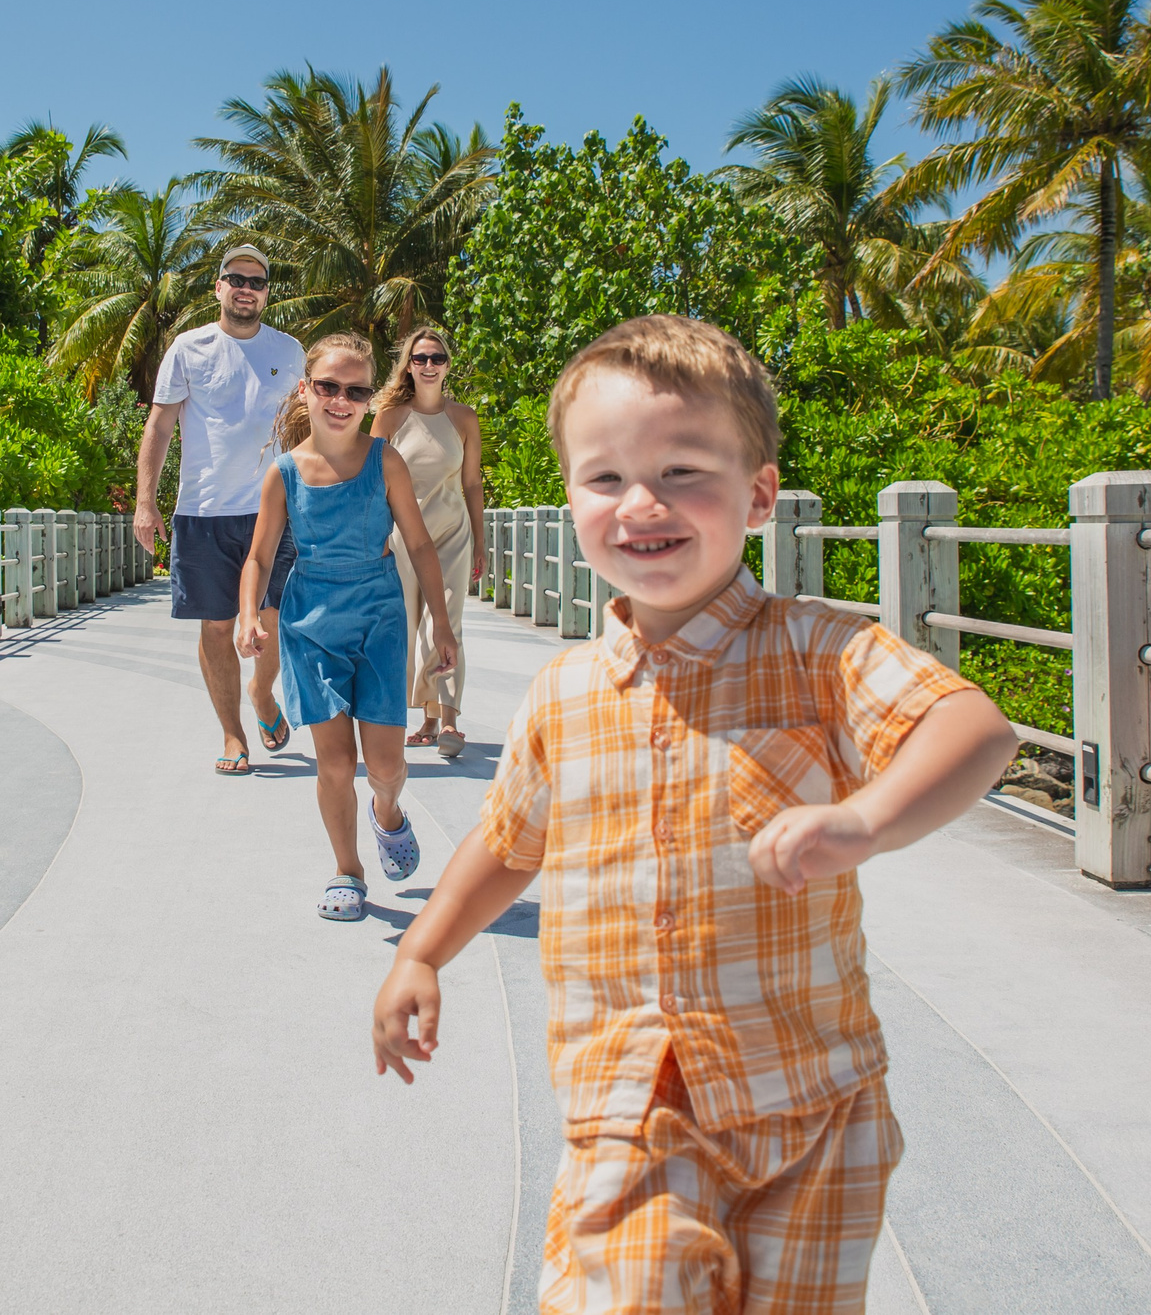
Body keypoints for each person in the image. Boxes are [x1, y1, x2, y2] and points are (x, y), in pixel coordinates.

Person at [370, 315, 1015, 1313]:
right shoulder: (561, 694)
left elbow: (971, 729)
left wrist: (867, 821)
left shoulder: (818, 651)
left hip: (812, 1107)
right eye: (604, 478)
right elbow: (506, 844)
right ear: (569, 496)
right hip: (627, 1102)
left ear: (758, 495)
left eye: (682, 471)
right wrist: (419, 953)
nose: (641, 505)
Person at [236, 333, 458, 922]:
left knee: (384, 765)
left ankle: (388, 815)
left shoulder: (385, 459)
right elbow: (258, 557)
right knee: (334, 762)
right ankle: (347, 871)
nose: (341, 399)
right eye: (329, 387)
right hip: (310, 622)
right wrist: (246, 615)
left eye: (355, 390)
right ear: (306, 390)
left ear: (367, 399)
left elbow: (418, 543)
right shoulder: (283, 473)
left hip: (380, 615)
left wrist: (441, 624)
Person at [134, 245, 304, 775]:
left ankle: (261, 692)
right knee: (215, 627)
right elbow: (160, 426)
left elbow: (309, 430)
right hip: (203, 513)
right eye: (236, 278)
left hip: (275, 510)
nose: (246, 288)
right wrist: (146, 502)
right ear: (219, 287)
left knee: (274, 620)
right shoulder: (189, 348)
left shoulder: (292, 351)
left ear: (267, 292)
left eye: (257, 280)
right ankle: (233, 736)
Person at [369, 325, 484, 760]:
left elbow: (472, 484)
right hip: (402, 535)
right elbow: (371, 483)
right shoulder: (390, 417)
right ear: (409, 366)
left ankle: (450, 718)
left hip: (453, 533)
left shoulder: (464, 418)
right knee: (408, 625)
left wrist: (481, 538)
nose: (429, 365)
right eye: (421, 359)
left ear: (448, 364)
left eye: (437, 358)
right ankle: (427, 718)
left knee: (447, 622)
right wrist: (375, 538)